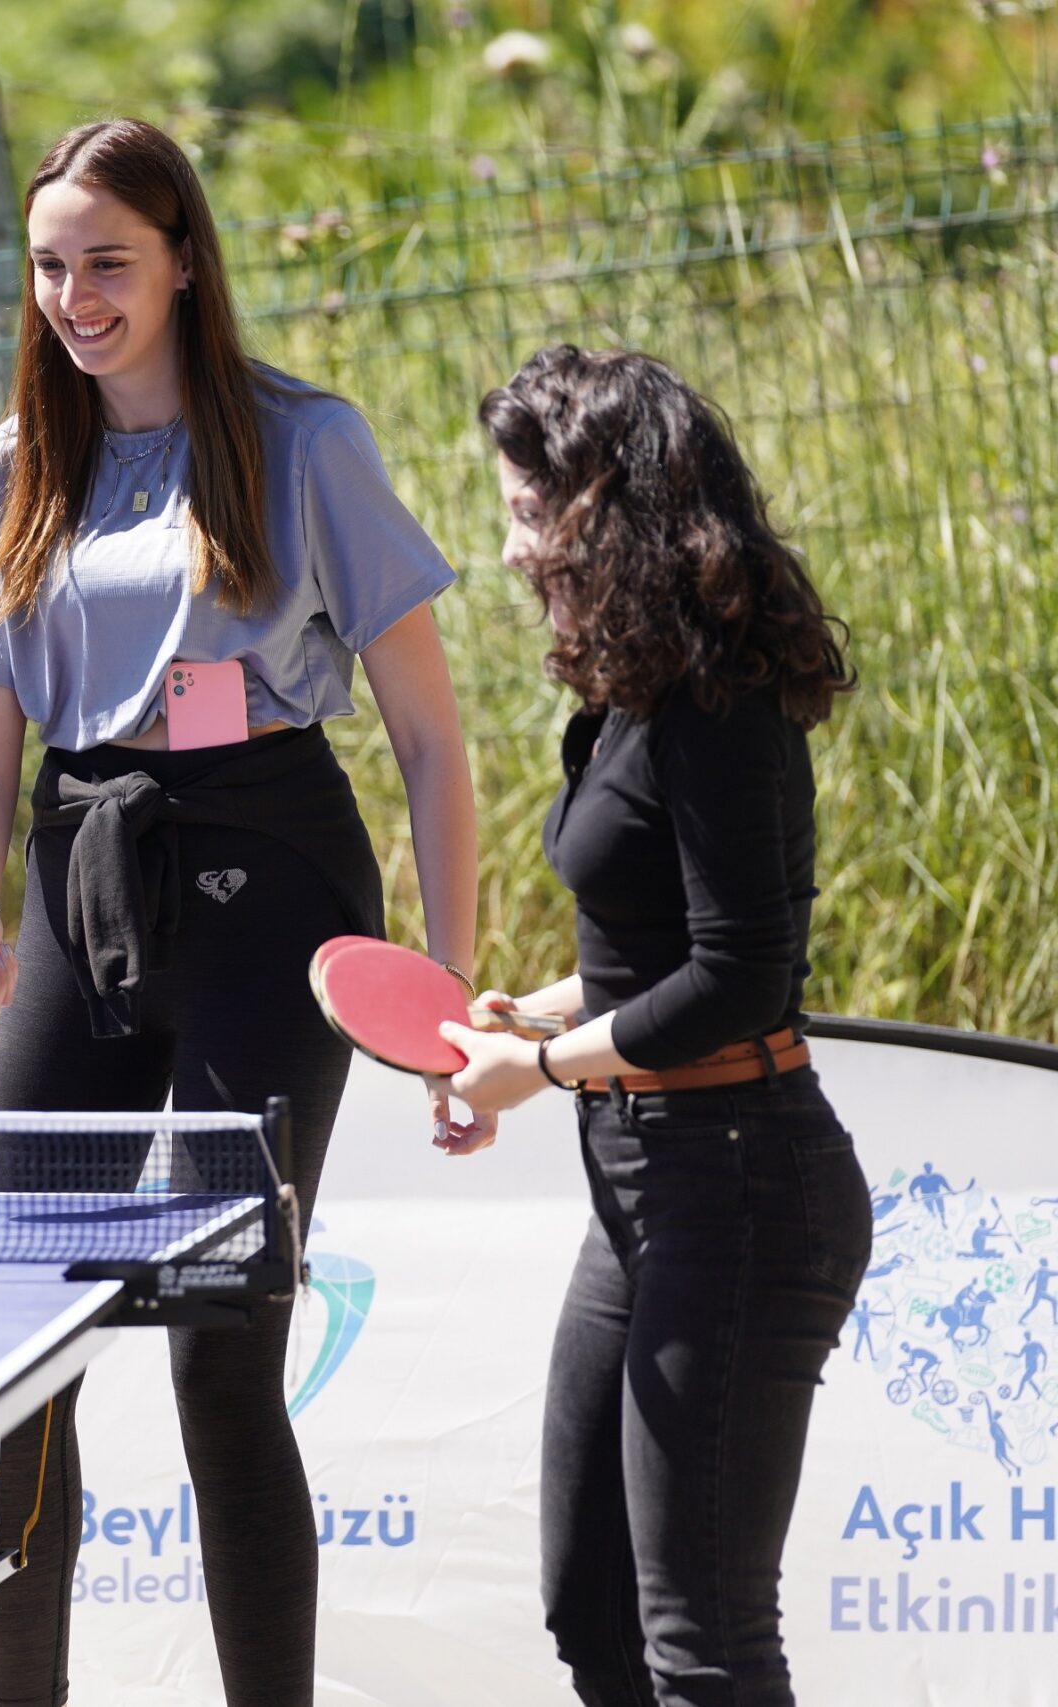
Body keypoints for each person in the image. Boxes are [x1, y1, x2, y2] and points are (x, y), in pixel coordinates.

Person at [0, 118, 481, 1707]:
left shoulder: (306, 444)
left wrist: (445, 983)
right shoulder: (12, 469)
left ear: (183, 261)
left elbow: (433, 738)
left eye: (108, 262)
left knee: (222, 1348)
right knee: (18, 1356)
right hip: (78, 869)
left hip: (272, 879)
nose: (76, 297)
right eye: (50, 267)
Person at [444, 345, 868, 1707]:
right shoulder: (627, 694)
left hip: (740, 1185)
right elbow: (655, 953)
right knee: (597, 1609)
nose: (508, 552)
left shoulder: (718, 706)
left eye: (525, 512)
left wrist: (544, 1068)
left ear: (600, 508)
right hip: (649, 1188)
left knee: (706, 1640)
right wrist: (538, 1013)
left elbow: (743, 974)